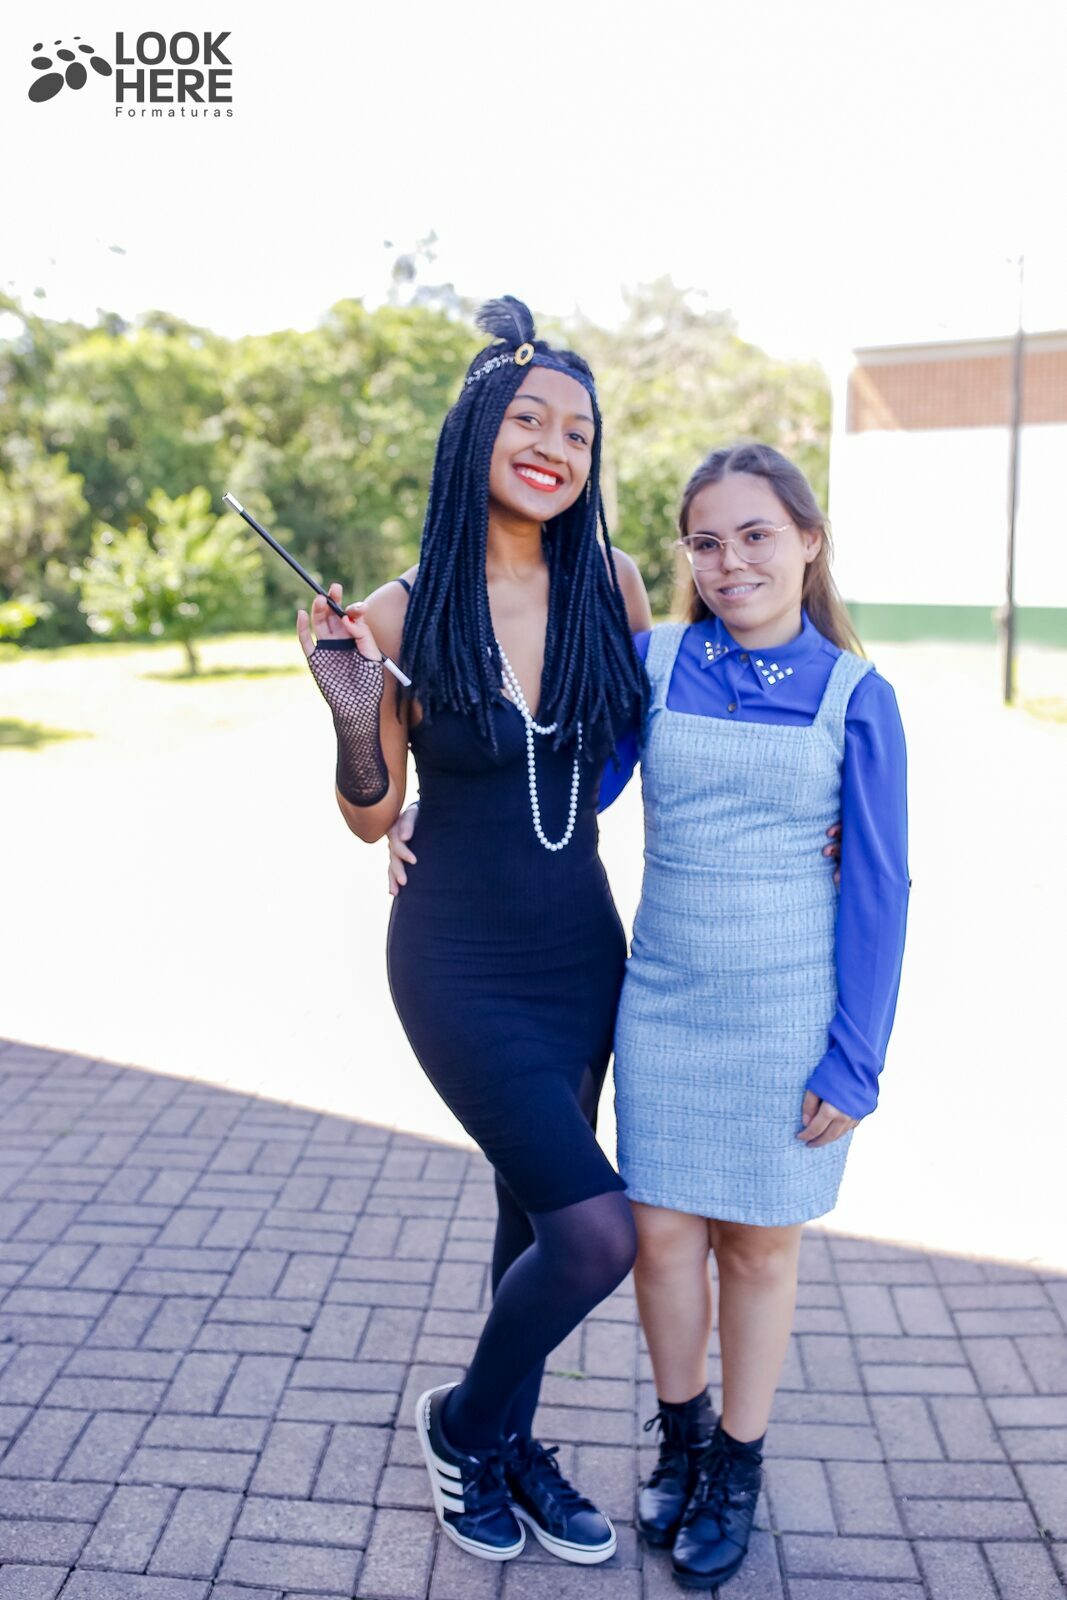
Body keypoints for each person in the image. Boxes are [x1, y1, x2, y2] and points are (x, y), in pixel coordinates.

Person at [297, 297, 652, 1565]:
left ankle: (503, 1442)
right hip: (455, 956)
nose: (555, 446)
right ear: (472, 436)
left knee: (535, 1219)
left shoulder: (612, 583)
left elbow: (637, 747)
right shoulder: (403, 612)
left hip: (580, 949)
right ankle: (459, 1421)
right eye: (528, 420)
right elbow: (370, 812)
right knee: (596, 1229)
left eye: (578, 431)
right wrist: (352, 709)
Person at [598, 441, 910, 1590]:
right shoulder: (654, 661)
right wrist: (428, 806)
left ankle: (736, 1462)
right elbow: (570, 787)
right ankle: (680, 1439)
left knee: (758, 1246)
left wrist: (854, 1060)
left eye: (755, 535)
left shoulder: (856, 695)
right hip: (664, 1004)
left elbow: (878, 886)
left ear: (807, 541)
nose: (729, 562)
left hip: (787, 1018)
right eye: (706, 541)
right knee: (661, 1239)